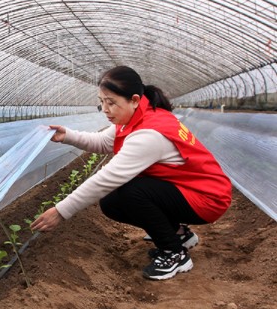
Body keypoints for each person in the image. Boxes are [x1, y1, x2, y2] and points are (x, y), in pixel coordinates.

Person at [31, 66, 232, 280]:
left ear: (134, 99)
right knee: (112, 201)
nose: (105, 109)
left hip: (207, 199)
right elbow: (104, 142)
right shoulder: (139, 115)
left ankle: (174, 253)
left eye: (111, 102)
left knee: (131, 193)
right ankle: (178, 234)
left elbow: (107, 178)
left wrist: (61, 211)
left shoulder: (149, 134)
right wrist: (67, 135)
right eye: (102, 101)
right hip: (190, 189)